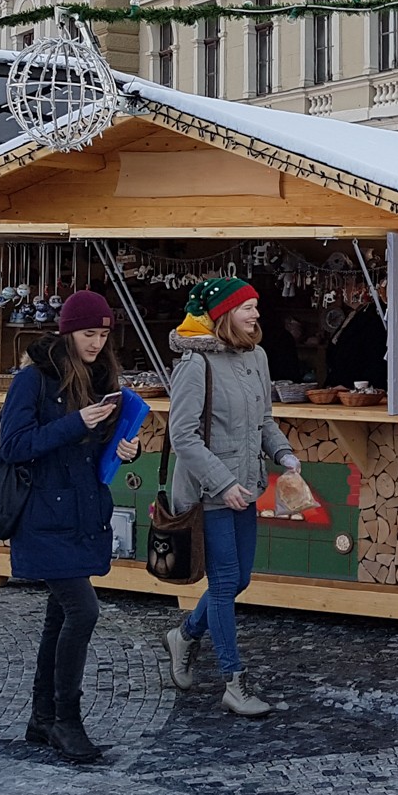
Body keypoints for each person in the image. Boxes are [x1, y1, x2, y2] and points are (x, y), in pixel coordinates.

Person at [0, 291, 140, 765]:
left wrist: (122, 450)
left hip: (81, 511)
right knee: (83, 612)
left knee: (60, 616)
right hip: (42, 515)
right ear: (67, 332)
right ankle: (66, 721)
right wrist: (76, 422)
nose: (96, 343)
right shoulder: (32, 380)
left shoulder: (101, 379)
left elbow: (89, 451)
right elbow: (15, 445)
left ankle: (42, 718)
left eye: (102, 334)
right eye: (87, 334)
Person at [163, 278, 301, 717]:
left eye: (257, 306)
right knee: (223, 583)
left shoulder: (256, 357)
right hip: (210, 492)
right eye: (247, 308)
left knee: (240, 579)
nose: (256, 315)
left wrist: (284, 453)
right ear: (224, 315)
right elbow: (181, 435)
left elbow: (263, 420)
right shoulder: (194, 364)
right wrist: (223, 483)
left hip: (247, 485)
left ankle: (184, 634)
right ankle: (233, 681)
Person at [324, 285, 387, 389]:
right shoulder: (356, 313)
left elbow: (373, 354)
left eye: (347, 284)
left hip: (357, 386)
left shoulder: (373, 314)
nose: (341, 291)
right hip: (340, 383)